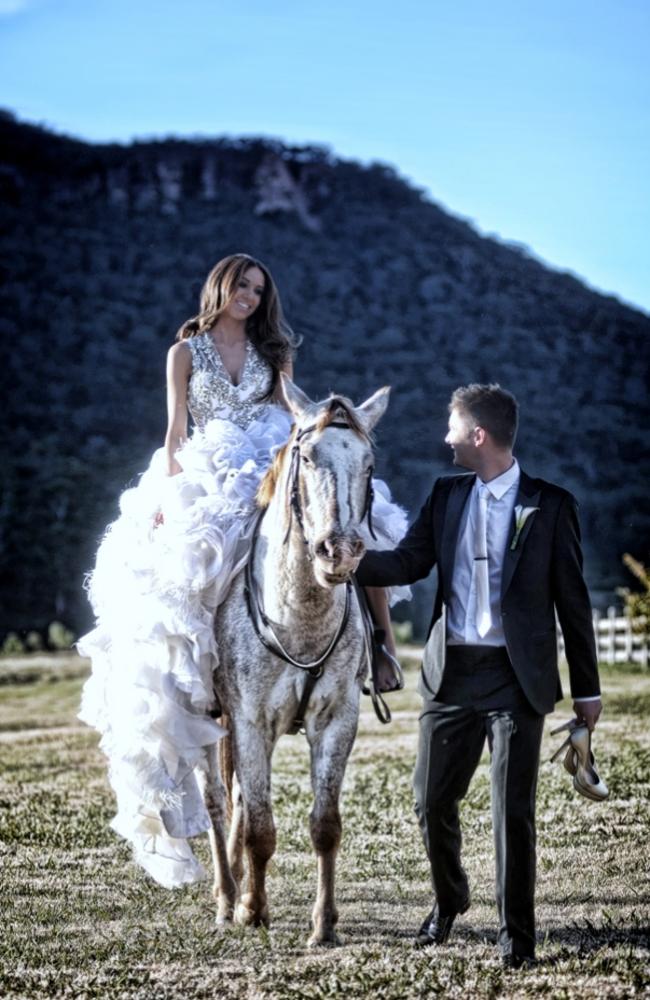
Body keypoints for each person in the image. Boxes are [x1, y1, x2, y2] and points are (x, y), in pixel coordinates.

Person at [78, 253, 408, 888]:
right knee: (193, 566)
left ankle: (383, 649)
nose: (251, 298)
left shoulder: (276, 352)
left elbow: (295, 419)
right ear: (220, 287)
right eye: (242, 286)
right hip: (207, 465)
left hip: (270, 456)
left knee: (349, 520)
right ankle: (205, 678)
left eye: (260, 290)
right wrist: (166, 503)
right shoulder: (185, 353)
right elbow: (176, 432)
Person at [355, 383, 602, 969]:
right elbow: (408, 562)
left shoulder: (551, 505)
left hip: (518, 681)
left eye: (452, 427)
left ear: (479, 435)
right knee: (429, 799)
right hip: (451, 675)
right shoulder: (445, 496)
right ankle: (450, 900)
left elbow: (574, 604)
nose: (446, 438)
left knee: (510, 810)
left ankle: (517, 938)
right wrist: (345, 561)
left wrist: (588, 692)